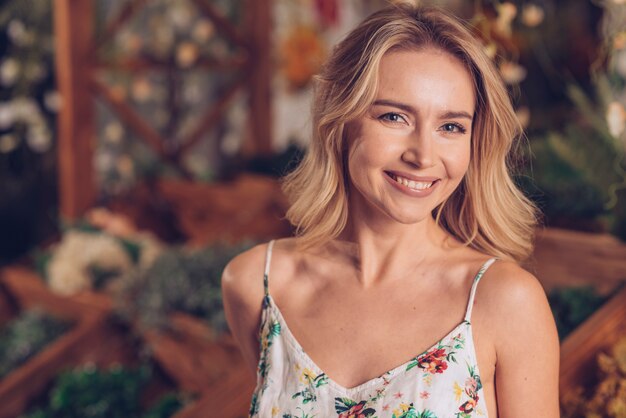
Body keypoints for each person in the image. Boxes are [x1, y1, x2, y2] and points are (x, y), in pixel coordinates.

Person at [222, 2, 560, 417]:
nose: (423, 155)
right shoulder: (257, 285)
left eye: (451, 126)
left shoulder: (505, 301)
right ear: (339, 119)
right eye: (394, 116)